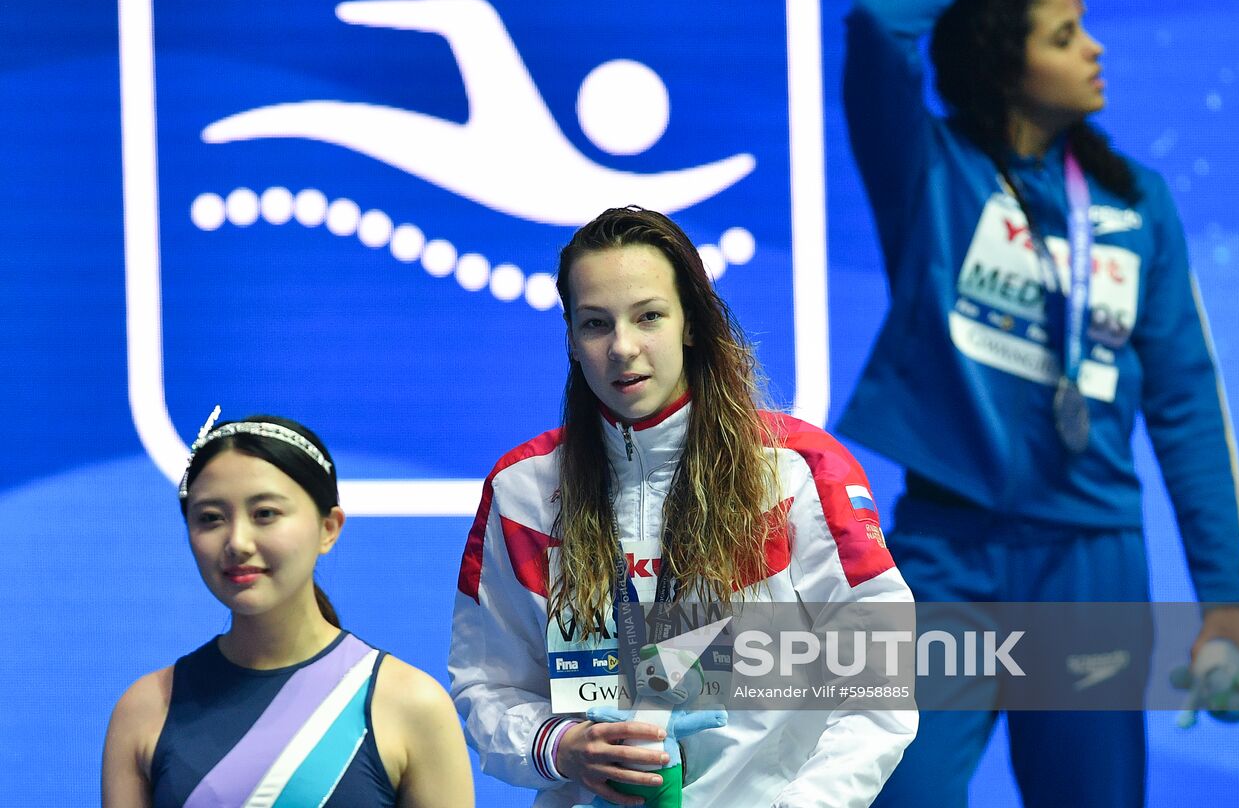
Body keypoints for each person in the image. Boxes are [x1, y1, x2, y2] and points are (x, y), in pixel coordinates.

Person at [839, 0, 1239, 807]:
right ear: (1005, 63)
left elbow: (1185, 400)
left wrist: (1226, 591)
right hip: (948, 558)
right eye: (1066, 35)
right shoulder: (931, 172)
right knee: (900, 796)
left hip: (1090, 565)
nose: (1096, 49)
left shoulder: (1135, 201)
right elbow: (879, 21)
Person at [449, 206, 917, 808]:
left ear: (690, 322)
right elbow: (488, 684)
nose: (622, 347)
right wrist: (559, 744)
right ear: (570, 337)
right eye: (595, 323)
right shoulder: (523, 493)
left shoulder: (796, 471)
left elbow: (880, 683)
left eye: (648, 317)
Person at [102, 411, 475, 808]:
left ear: (329, 528)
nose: (238, 542)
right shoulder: (144, 710)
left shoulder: (410, 704)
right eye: (211, 518)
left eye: (265, 514)